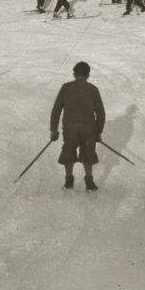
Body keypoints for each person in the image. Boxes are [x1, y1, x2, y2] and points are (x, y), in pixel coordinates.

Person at [49, 61, 105, 192]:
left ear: (74, 74)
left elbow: (56, 109)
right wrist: (98, 131)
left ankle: (69, 180)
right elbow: (101, 113)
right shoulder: (93, 89)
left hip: (70, 128)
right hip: (89, 128)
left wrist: (54, 130)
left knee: (68, 152)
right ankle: (89, 181)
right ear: (88, 75)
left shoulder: (66, 87)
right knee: (88, 154)